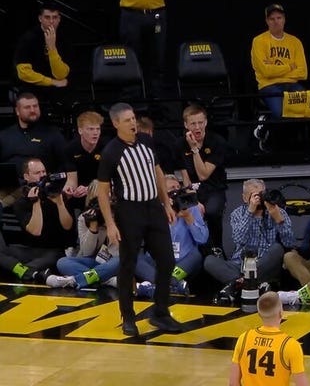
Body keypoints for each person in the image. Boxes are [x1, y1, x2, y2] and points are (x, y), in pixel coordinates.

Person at [96, 102, 183, 336]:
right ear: (116, 124)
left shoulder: (146, 141)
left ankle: (161, 312)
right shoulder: (111, 152)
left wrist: (166, 203)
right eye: (127, 120)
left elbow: (157, 172)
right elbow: (102, 192)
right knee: (128, 264)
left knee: (167, 260)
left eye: (133, 118)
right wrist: (111, 223)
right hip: (129, 212)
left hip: (153, 207)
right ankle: (128, 316)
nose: (133, 123)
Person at [204, 178, 295, 298]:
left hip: (264, 265)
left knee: (277, 249)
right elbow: (238, 239)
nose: (258, 199)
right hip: (239, 265)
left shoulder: (277, 211)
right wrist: (250, 211)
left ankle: (238, 285)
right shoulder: (237, 213)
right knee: (209, 261)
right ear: (245, 197)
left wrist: (279, 220)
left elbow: (289, 243)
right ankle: (250, 284)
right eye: (254, 195)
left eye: (261, 194)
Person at [0, 157, 75, 283]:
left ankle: (27, 272)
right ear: (26, 177)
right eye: (37, 173)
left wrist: (60, 203)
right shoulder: (21, 203)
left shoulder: (57, 194)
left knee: (49, 259)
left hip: (55, 250)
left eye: (44, 172)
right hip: (30, 249)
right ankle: (36, 274)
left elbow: (68, 226)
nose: (42, 176)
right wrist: (36, 202)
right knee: (2, 254)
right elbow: (35, 230)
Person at [134, 174, 208, 296]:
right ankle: (173, 286)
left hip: (184, 261)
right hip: (159, 261)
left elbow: (202, 239)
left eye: (177, 187)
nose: (176, 190)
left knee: (196, 255)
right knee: (133, 258)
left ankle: (154, 287)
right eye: (171, 188)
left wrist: (188, 217)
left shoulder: (191, 207)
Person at [48, 180, 121, 290]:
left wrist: (110, 223)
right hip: (91, 262)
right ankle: (106, 280)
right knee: (62, 262)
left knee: (120, 260)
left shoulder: (120, 217)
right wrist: (93, 227)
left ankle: (76, 280)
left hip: (112, 262)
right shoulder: (84, 218)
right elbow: (87, 252)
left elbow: (117, 252)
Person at [175, 104, 229, 250]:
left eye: (200, 122)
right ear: (186, 125)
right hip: (192, 189)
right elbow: (185, 177)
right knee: (182, 210)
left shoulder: (217, 142)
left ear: (206, 122)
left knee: (211, 212)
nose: (197, 127)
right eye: (193, 123)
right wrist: (193, 200)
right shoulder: (179, 144)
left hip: (214, 189)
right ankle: (190, 250)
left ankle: (217, 248)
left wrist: (194, 149)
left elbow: (203, 175)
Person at [229, 291, 309, 386]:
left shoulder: (244, 338)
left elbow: (233, 383)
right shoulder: (290, 345)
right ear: (281, 313)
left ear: (259, 314)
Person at [252, 3, 307, 118]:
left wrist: (274, 69)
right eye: (272, 19)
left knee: (305, 111)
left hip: (292, 85)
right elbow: (266, 71)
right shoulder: (259, 41)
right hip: (269, 85)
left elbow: (303, 73)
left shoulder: (295, 42)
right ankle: (265, 126)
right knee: (280, 113)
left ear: (284, 19)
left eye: (279, 18)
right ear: (267, 21)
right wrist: (290, 67)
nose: (276, 21)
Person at [13, 3, 71, 104]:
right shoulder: (28, 38)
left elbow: (61, 75)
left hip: (57, 88)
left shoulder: (65, 38)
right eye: (47, 17)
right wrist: (51, 82)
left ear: (59, 19)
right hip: (32, 86)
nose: (51, 21)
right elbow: (23, 73)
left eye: (55, 17)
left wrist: (52, 49)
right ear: (40, 18)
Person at [0, 92, 66, 175]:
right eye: (27, 107)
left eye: (35, 106)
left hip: (44, 184)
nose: (32, 110)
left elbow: (65, 163)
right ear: (17, 111)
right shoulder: (4, 136)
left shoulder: (53, 134)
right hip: (11, 185)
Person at [62, 111, 105, 213]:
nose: (95, 133)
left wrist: (90, 189)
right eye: (91, 129)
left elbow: (108, 177)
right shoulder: (70, 149)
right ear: (80, 130)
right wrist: (70, 189)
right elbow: (71, 179)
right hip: (80, 191)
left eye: (98, 129)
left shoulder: (106, 147)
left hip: (102, 189)